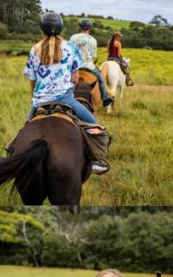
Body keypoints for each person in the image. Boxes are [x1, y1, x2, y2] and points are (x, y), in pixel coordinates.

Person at [24, 11, 109, 174]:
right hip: (66, 98)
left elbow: (32, 80)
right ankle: (96, 161)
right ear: (61, 29)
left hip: (39, 101)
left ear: (42, 29)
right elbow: (75, 76)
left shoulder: (34, 49)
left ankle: (11, 155)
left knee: (23, 131)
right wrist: (70, 86)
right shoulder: (70, 47)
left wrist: (36, 97)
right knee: (94, 122)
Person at [69, 18, 114, 108]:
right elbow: (93, 55)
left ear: (80, 27)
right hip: (89, 66)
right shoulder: (93, 40)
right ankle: (105, 98)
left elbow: (70, 51)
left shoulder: (73, 37)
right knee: (100, 79)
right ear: (90, 28)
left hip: (74, 66)